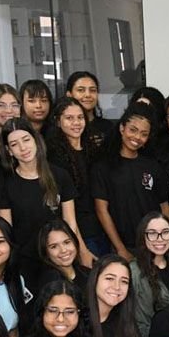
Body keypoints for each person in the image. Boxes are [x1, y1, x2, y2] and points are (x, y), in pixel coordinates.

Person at [0, 118, 89, 287]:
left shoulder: (60, 175)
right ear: (9, 151)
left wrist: (83, 251)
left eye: (26, 140)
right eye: (15, 144)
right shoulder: (6, 184)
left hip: (61, 260)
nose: (23, 148)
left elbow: (71, 223)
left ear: (36, 140)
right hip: (26, 263)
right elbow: (6, 232)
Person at [91, 103, 167, 260]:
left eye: (144, 134)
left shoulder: (153, 165)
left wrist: (165, 240)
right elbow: (102, 210)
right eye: (133, 130)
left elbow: (164, 206)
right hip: (122, 248)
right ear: (122, 128)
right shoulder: (103, 167)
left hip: (155, 246)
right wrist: (120, 249)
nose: (137, 137)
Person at [47, 97, 108, 258]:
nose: (76, 122)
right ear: (58, 122)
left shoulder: (94, 150)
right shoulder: (54, 158)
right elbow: (66, 212)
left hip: (102, 228)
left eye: (80, 117)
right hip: (80, 234)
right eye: (69, 118)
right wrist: (81, 248)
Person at [129, 212, 169, 337]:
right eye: (152, 233)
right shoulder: (133, 271)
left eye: (165, 232)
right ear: (143, 237)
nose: (160, 238)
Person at [35, 219, 92, 297]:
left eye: (67, 242)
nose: (63, 250)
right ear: (46, 252)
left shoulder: (88, 274)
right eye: (54, 246)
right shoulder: (50, 283)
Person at [67, 71, 114, 140]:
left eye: (93, 90)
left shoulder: (108, 128)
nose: (88, 95)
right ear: (69, 95)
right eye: (81, 90)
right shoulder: (62, 127)